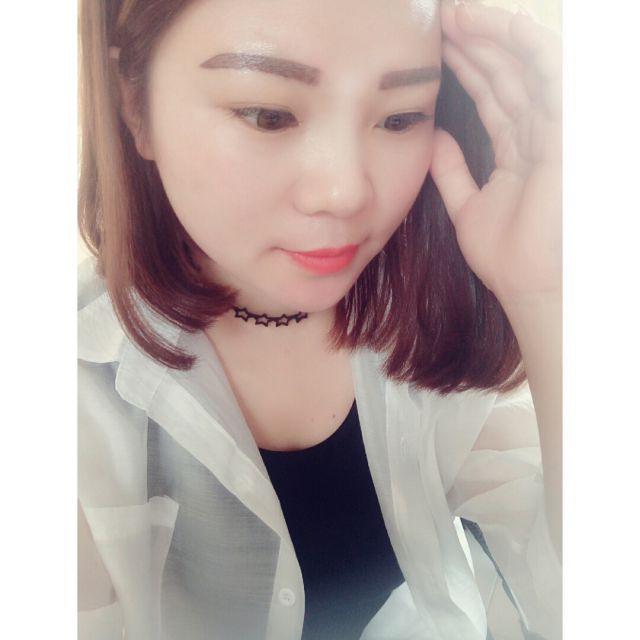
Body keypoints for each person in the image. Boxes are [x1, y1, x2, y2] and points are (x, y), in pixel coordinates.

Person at [77, 0, 562, 638]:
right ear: (134, 103)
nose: (346, 193)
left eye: (400, 117)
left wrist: (548, 299)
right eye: (268, 114)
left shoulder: (435, 309)